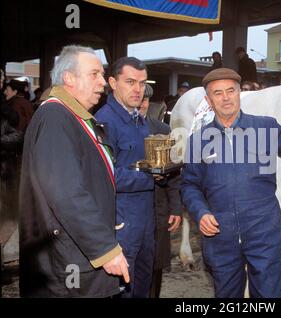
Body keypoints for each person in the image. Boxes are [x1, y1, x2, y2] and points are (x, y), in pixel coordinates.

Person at [180, 68, 281, 298]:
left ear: (239, 93)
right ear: (208, 100)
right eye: (218, 93)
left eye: (231, 91)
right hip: (220, 236)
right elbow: (189, 185)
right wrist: (200, 212)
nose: (226, 97)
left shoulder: (265, 127)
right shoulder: (199, 140)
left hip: (264, 232)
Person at [19, 45, 129, 297]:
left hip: (73, 252)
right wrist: (105, 249)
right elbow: (66, 192)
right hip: (67, 261)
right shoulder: (56, 117)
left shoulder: (74, 116)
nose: (103, 82)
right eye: (94, 74)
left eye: (102, 75)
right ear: (69, 78)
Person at [95, 57, 157, 298]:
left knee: (142, 286)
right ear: (112, 82)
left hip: (144, 221)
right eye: (130, 82)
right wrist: (151, 177)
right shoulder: (104, 121)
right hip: (120, 223)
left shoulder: (139, 120)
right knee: (121, 291)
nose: (137, 89)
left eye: (142, 83)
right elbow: (104, 176)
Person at [138, 84, 183, 297]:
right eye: (138, 101)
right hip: (130, 212)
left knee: (155, 268)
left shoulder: (163, 131)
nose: (141, 106)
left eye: (145, 101)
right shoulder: (113, 130)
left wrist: (176, 208)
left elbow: (174, 176)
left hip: (158, 209)